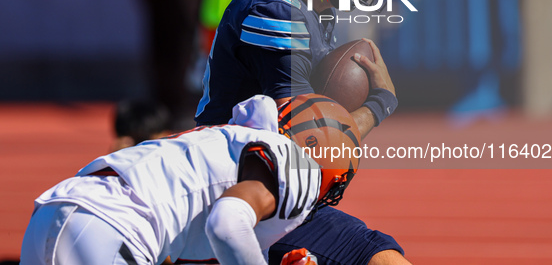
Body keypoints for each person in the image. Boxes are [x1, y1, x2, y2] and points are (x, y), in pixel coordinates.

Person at [195, 0, 410, 265]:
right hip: (237, 191)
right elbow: (307, 144)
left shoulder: (301, 4)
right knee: (379, 258)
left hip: (263, 184)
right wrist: (379, 104)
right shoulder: (274, 12)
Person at [20, 94, 358, 264]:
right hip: (112, 226)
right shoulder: (293, 163)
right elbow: (226, 223)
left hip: (57, 210)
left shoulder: (223, 142)